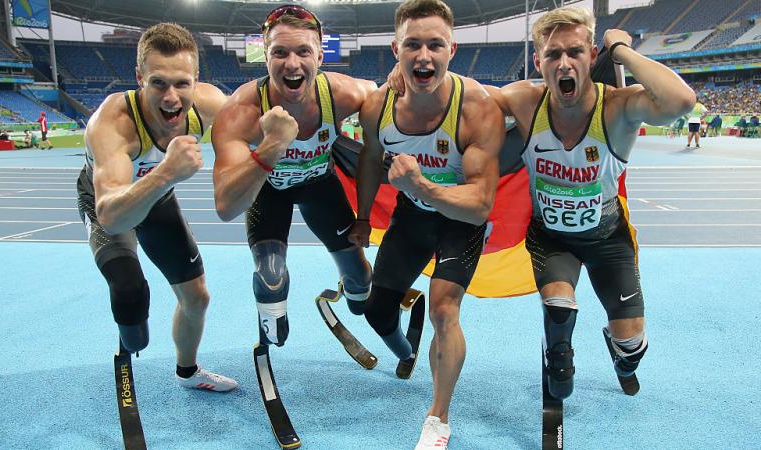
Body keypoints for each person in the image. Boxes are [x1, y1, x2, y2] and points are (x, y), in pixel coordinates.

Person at [483, 7, 694, 403]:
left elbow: (682, 100)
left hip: (607, 240)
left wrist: (622, 50)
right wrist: (401, 79)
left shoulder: (618, 108)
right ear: (538, 62)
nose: (564, 62)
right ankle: (559, 357)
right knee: (560, 310)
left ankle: (621, 352)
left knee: (633, 348)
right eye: (553, 54)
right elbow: (462, 101)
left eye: (575, 52)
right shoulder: (524, 101)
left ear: (592, 56)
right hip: (551, 239)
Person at [352, 1, 504, 448]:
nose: (424, 57)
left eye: (435, 45)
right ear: (395, 49)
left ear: (451, 49)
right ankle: (408, 349)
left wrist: (421, 184)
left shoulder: (476, 107)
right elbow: (366, 159)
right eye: (413, 45)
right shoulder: (377, 106)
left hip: (460, 221)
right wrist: (362, 216)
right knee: (376, 312)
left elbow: (479, 205)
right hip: (412, 219)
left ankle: (438, 418)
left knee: (444, 309)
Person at [76, 23, 237, 392]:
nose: (172, 97)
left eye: (182, 84)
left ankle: (188, 372)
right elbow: (112, 216)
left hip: (158, 198)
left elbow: (261, 113)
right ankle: (128, 334)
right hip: (109, 201)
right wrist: (166, 173)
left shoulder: (209, 104)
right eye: (159, 83)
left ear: (196, 80)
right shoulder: (114, 123)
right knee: (131, 296)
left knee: (197, 297)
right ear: (139, 78)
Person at [211, 6, 377, 348]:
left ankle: (354, 289)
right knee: (271, 276)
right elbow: (226, 206)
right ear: (265, 57)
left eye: (303, 51)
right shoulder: (241, 111)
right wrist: (272, 144)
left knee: (361, 286)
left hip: (321, 187)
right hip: (268, 192)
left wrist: (402, 81)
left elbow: (389, 102)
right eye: (279, 52)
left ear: (319, 55)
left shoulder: (347, 95)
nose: (292, 63)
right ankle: (270, 323)